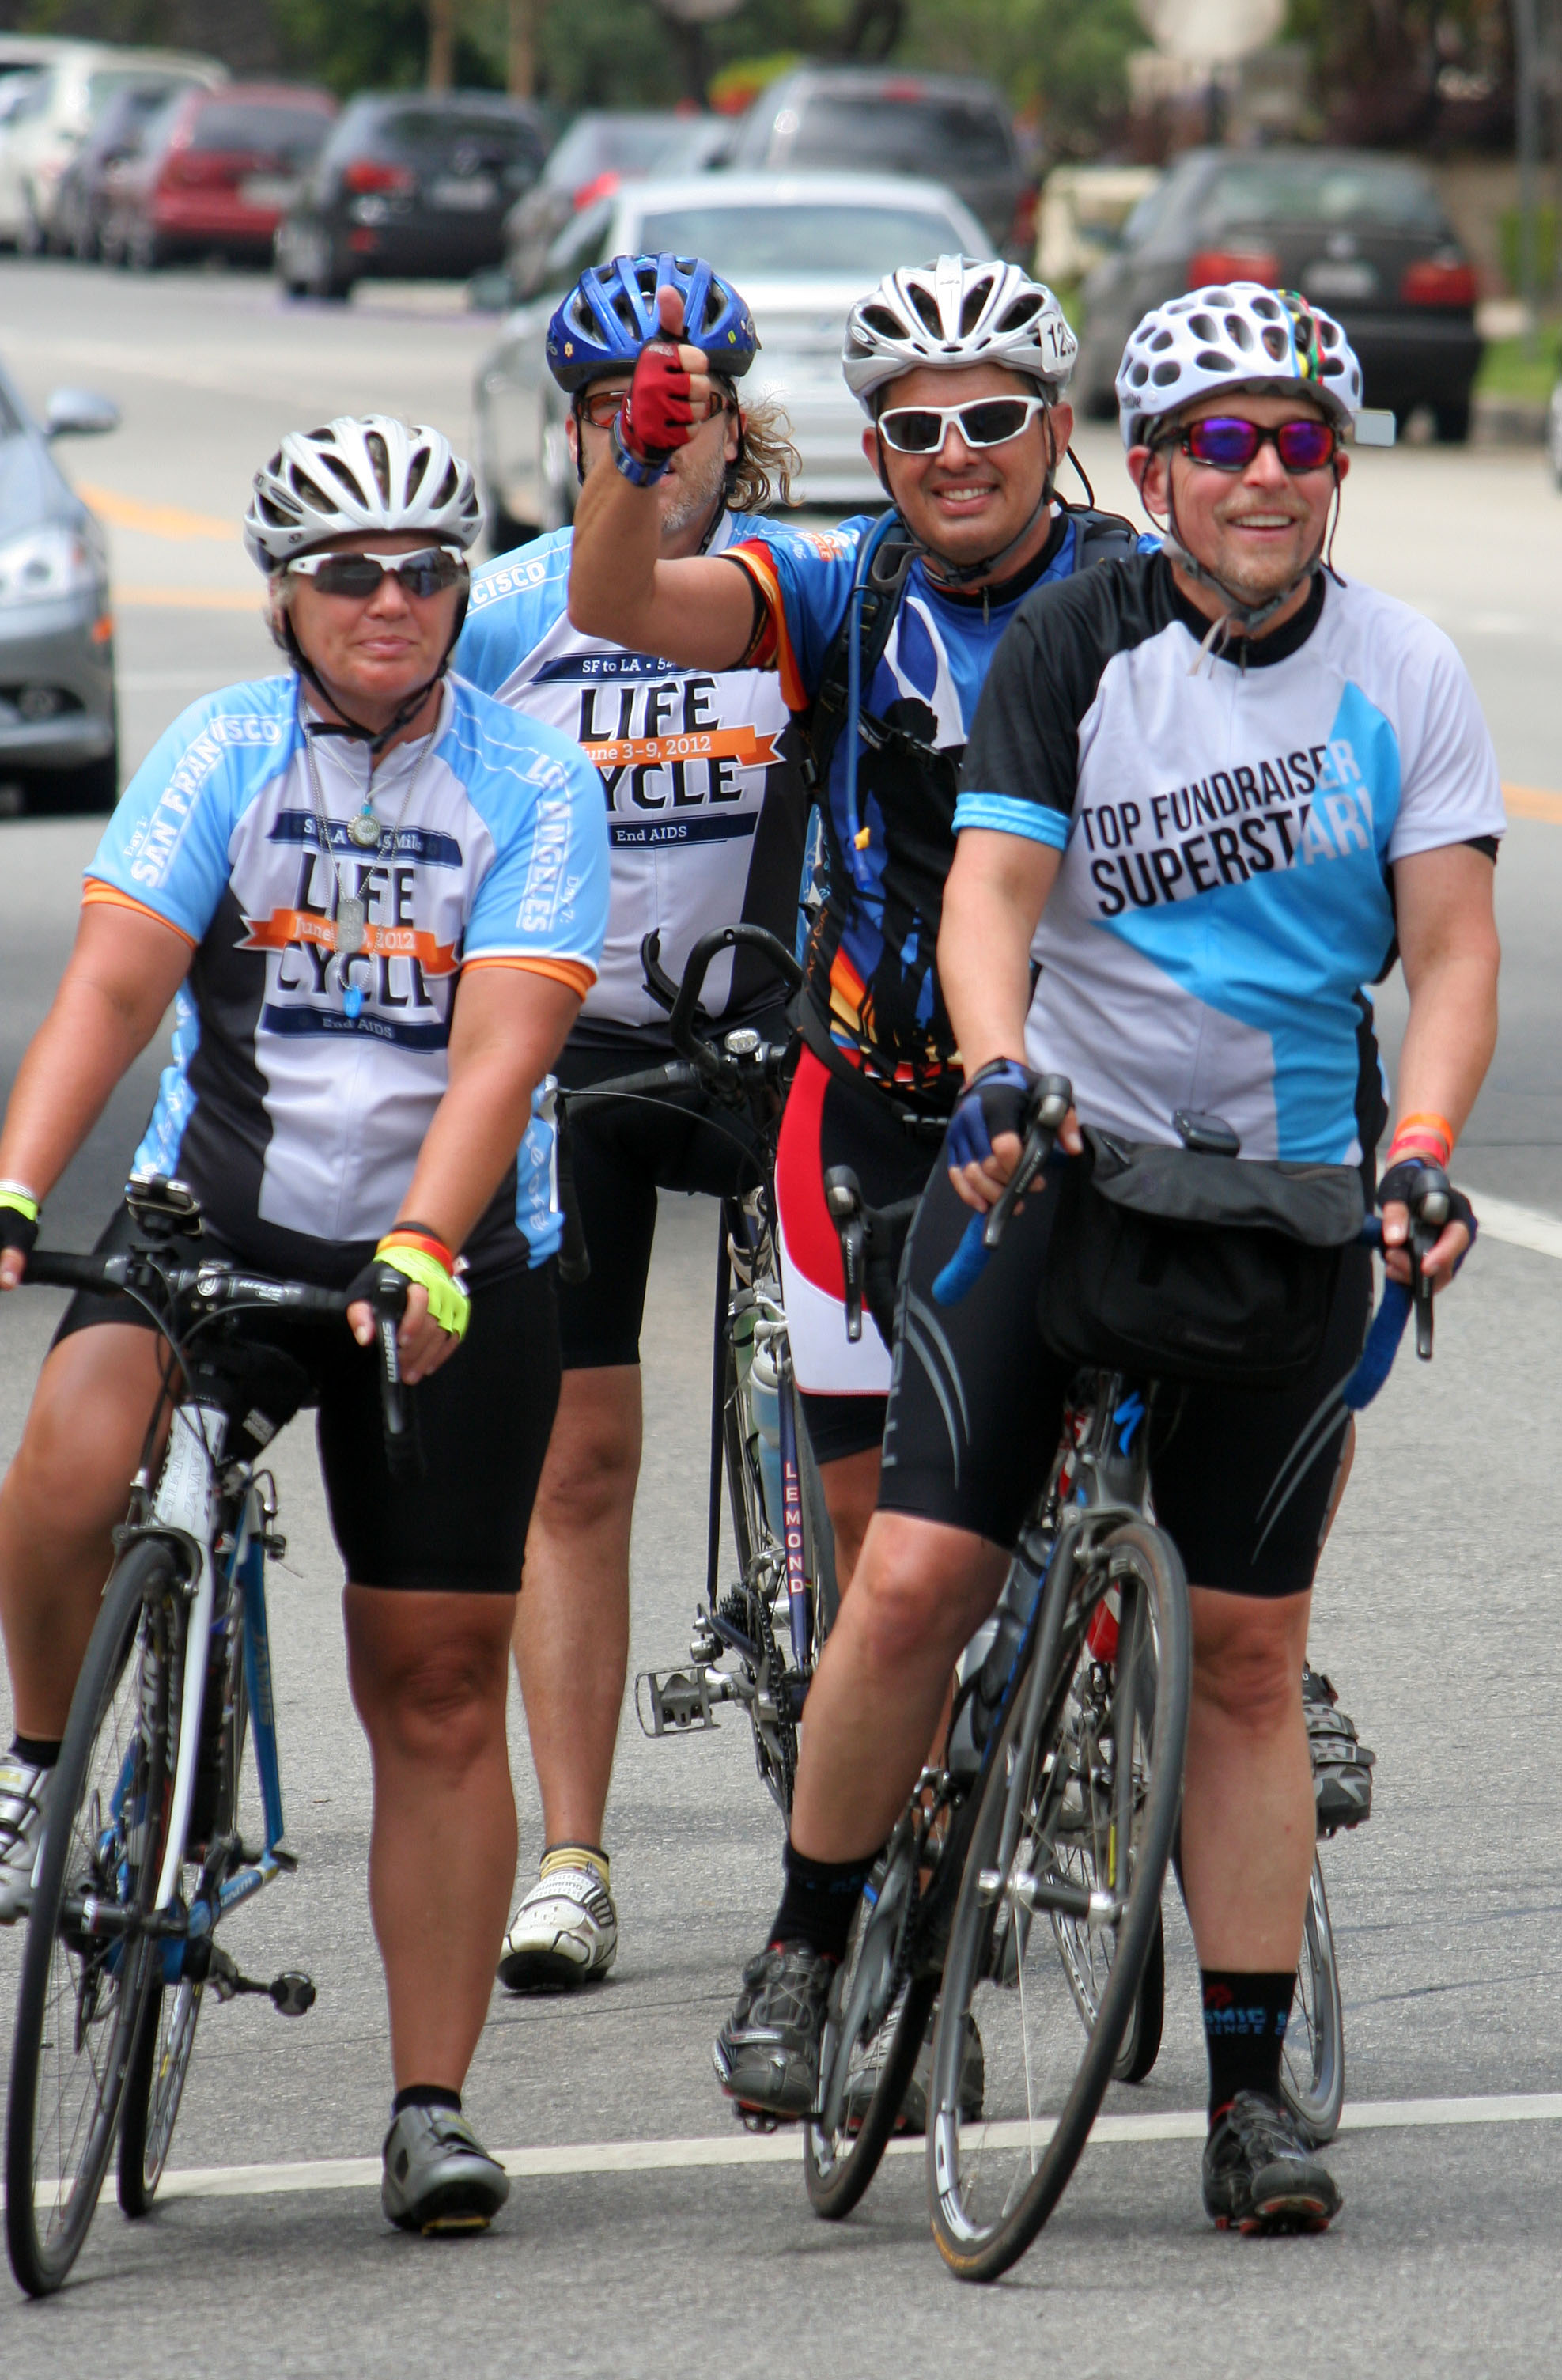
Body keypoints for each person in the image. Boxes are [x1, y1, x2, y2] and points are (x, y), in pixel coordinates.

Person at [709, 285, 1502, 2232]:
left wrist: (1419, 1156)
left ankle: (1246, 2096)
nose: (1262, 475)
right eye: (1220, 444)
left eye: (1299, 441)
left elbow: (1454, 950)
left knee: (1245, 1658)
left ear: (1337, 470)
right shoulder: (1080, 632)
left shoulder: (1405, 669)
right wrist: (992, 1075)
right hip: (1057, 1172)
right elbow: (990, 893)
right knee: (910, 1577)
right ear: (1147, 473)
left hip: (1292, 1207)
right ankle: (810, 1944)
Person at [0, 416, 609, 2235]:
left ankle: (430, 2101)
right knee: (65, 1464)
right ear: (283, 591)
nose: (395, 601)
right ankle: (40, 1763)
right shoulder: (220, 753)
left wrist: (424, 1239)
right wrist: (21, 1186)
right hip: (219, 1218)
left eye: (429, 568)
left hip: (450, 1260)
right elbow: (112, 991)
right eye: (350, 570)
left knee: (431, 1685)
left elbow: (503, 1047)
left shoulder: (531, 782)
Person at [566, 253, 1137, 1599]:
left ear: (1057, 431)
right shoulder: (836, 581)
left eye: (993, 421)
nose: (958, 457)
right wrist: (637, 465)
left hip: (1094, 1091)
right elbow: (616, 603)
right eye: (918, 428)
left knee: (1163, 1467)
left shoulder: (1144, 592)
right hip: (872, 1100)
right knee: (889, 1569)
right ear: (874, 449)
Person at [455, 253, 808, 1995]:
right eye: (615, 414)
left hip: (770, 1033)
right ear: (577, 427)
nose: (653, 439)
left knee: (847, 1408)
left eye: (682, 411)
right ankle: (572, 1854)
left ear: (740, 425)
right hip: (582, 1057)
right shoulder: (516, 608)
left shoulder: (792, 591)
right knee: (579, 1461)